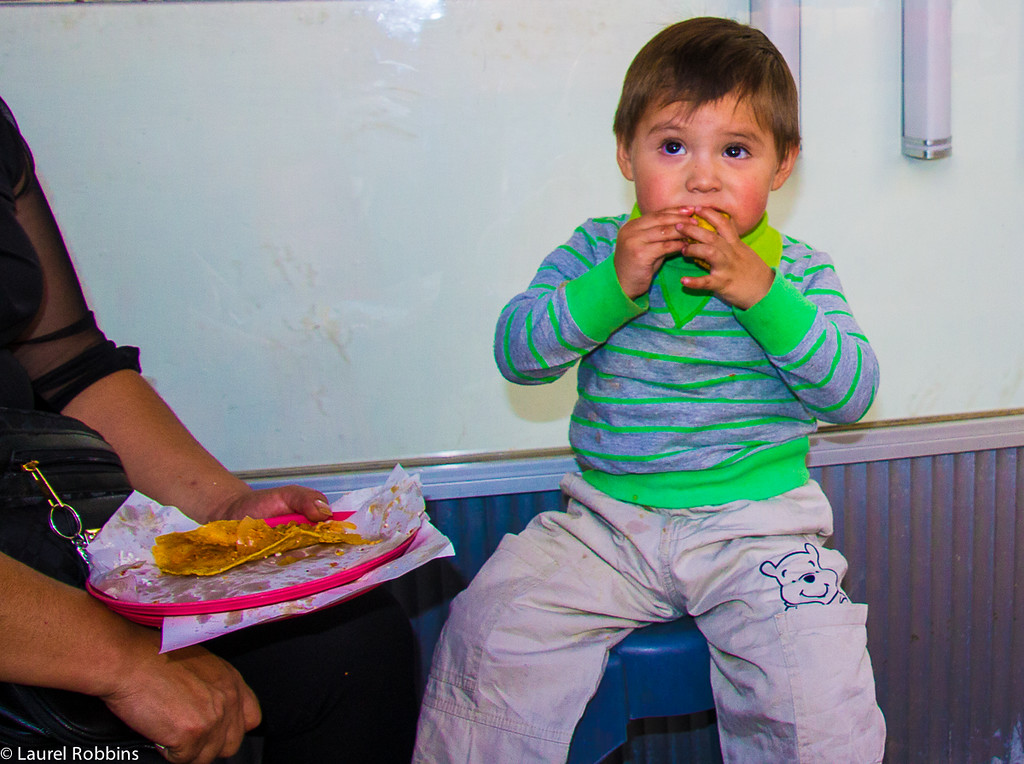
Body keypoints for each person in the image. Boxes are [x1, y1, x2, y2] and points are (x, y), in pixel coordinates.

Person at [414, 16, 885, 764]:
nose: (702, 177)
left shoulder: (798, 273)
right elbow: (518, 353)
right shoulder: (596, 250)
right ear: (626, 156)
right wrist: (610, 289)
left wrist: (763, 297)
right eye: (672, 146)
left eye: (736, 151)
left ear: (783, 165)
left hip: (756, 528)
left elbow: (852, 394)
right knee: (488, 630)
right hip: (607, 522)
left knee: (818, 684)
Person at [0, 95, 418, 763]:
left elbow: (71, 367)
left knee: (353, 640)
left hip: (34, 515)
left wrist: (227, 510)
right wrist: (119, 662)